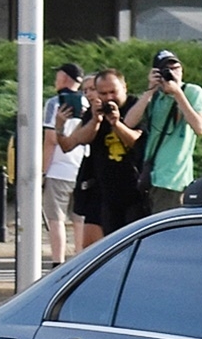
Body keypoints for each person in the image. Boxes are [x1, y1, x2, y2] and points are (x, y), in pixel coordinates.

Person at [62, 69, 147, 244]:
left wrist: (116, 123)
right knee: (111, 245)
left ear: (124, 87)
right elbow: (79, 140)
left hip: (135, 191)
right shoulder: (96, 110)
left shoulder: (136, 107)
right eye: (103, 93)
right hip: (107, 191)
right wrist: (95, 119)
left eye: (113, 92)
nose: (109, 98)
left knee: (134, 243)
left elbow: (137, 141)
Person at [126, 50, 202, 211]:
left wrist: (178, 93)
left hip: (174, 178)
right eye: (166, 70)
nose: (171, 73)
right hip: (152, 176)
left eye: (175, 68)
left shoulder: (192, 92)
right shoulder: (154, 96)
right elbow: (129, 122)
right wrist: (149, 91)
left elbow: (200, 127)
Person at [42, 62, 87, 264]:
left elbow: (51, 140)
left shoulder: (54, 103)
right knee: (80, 220)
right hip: (82, 168)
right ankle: (81, 260)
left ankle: (57, 262)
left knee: (56, 219)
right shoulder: (87, 102)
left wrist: (43, 171)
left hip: (58, 169)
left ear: (64, 78)